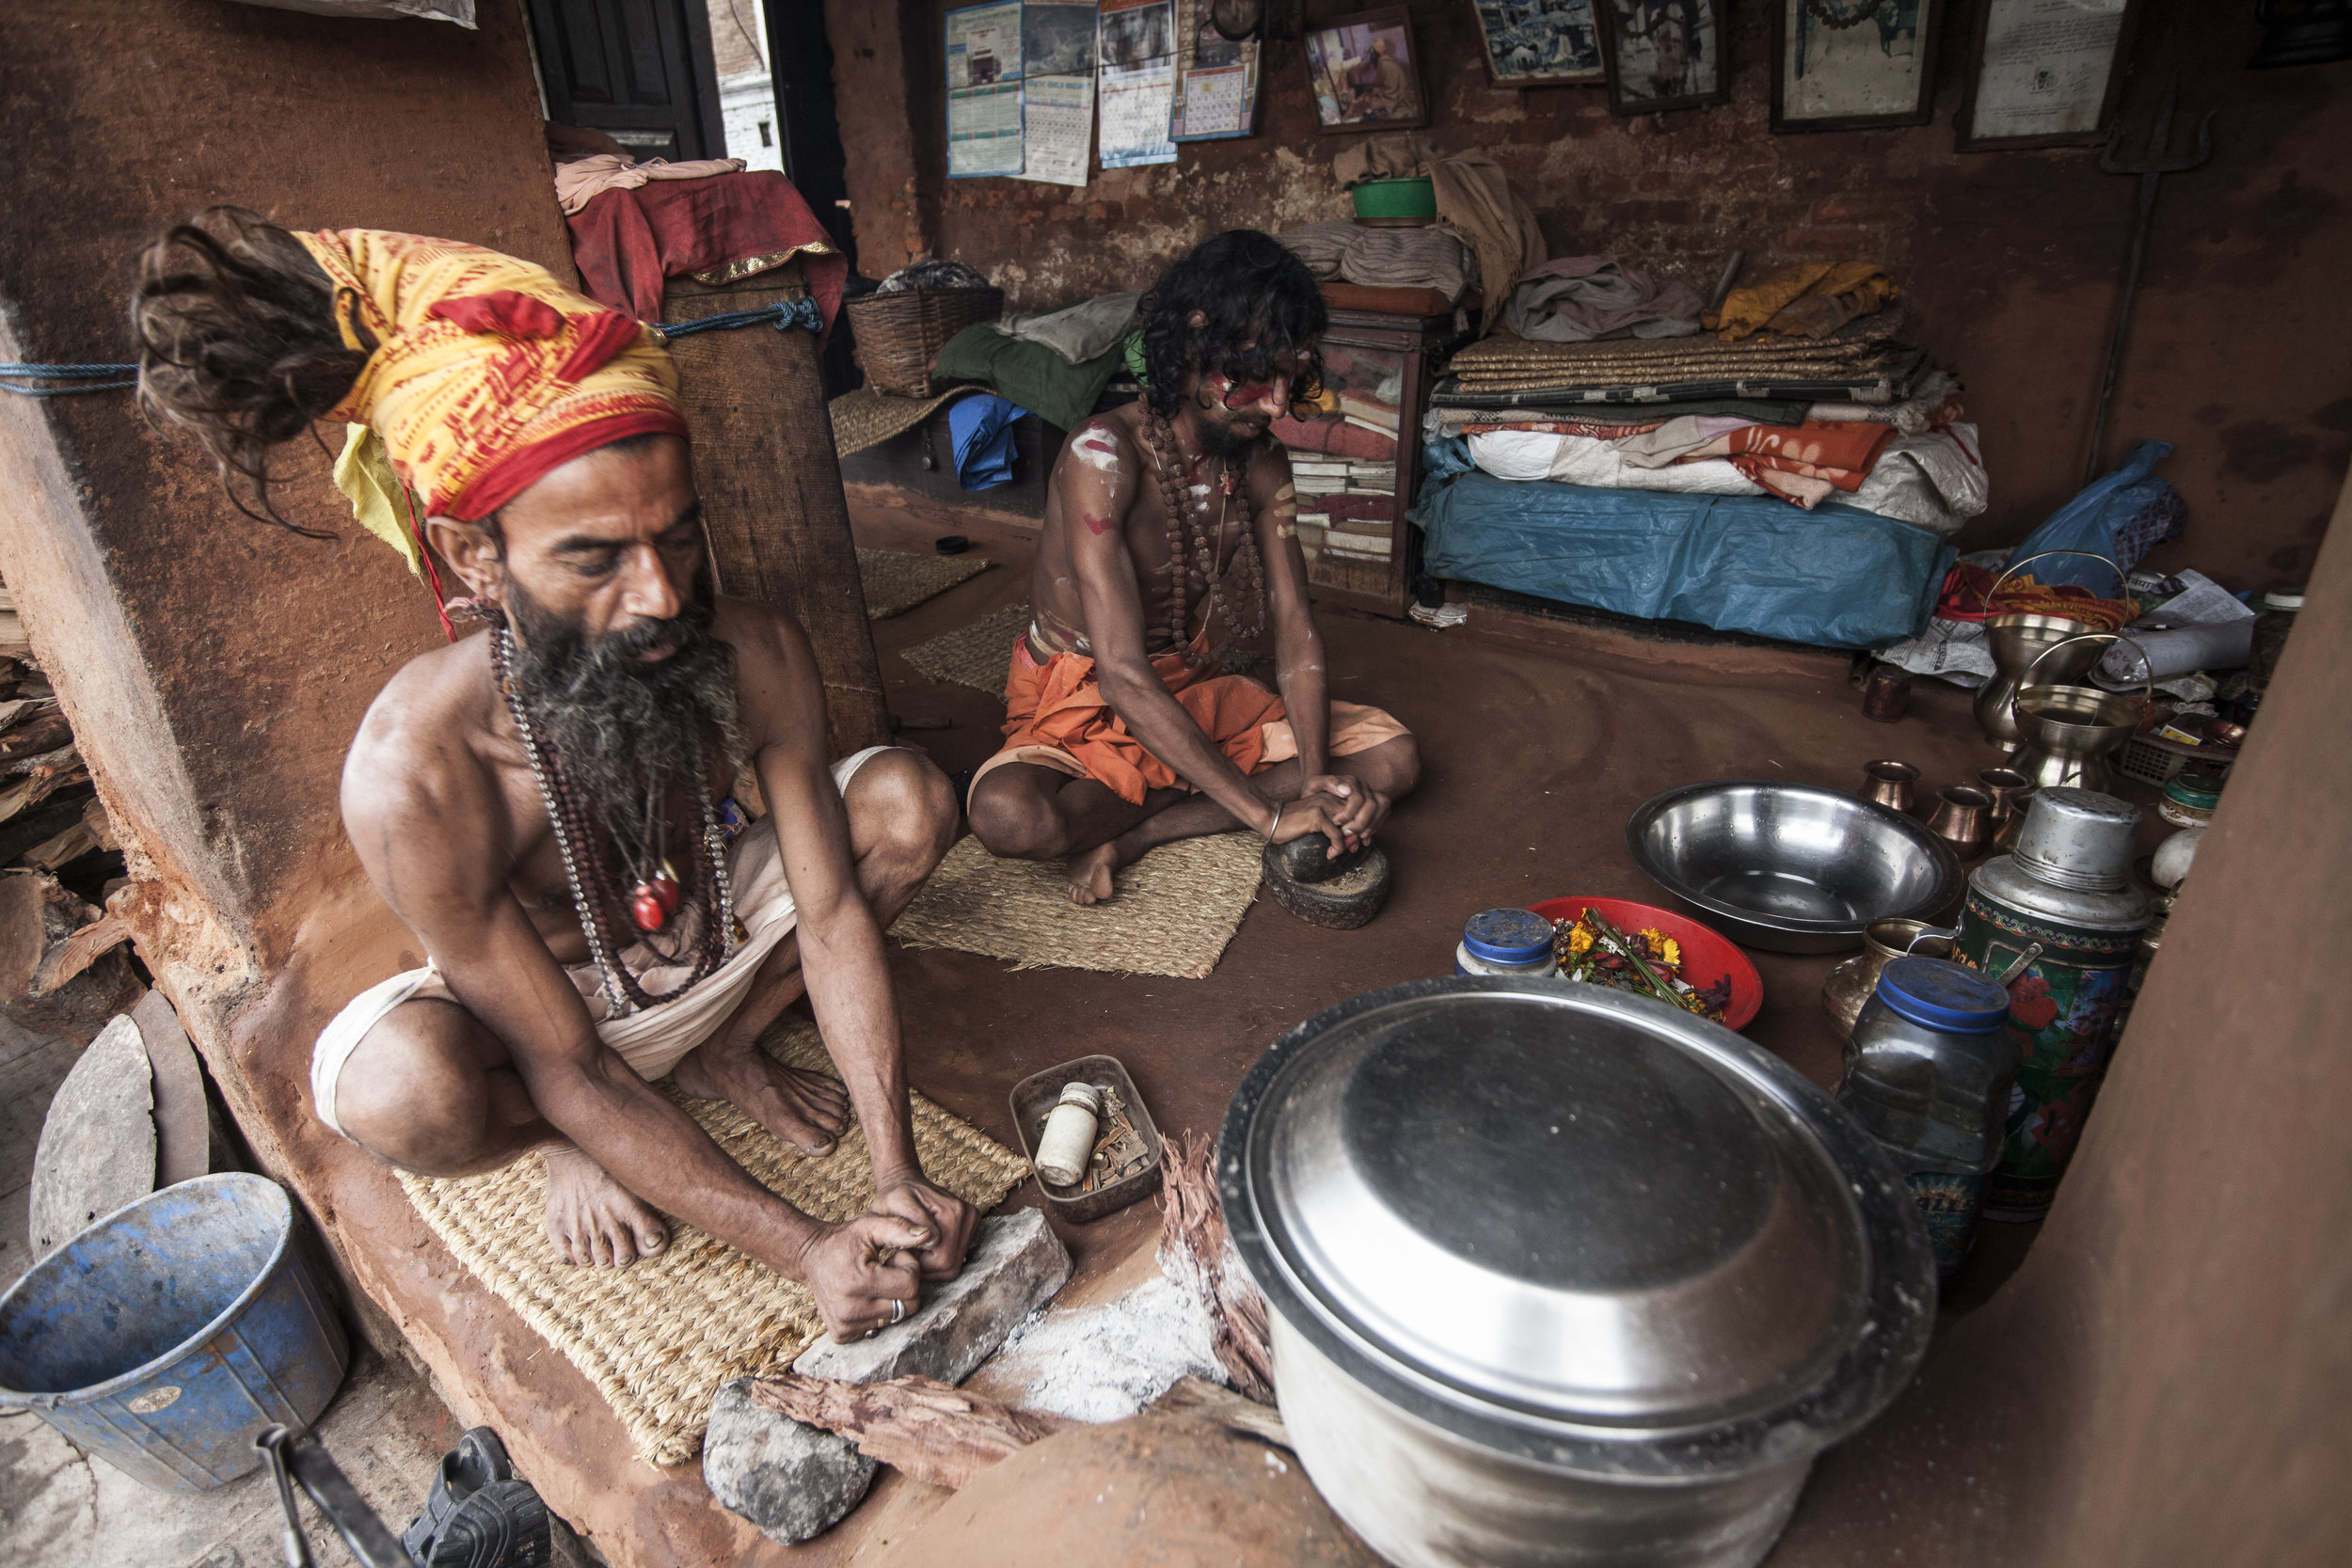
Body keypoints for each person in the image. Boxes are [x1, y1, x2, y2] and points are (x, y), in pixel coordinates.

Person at [133, 211, 970, 1340]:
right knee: (401, 1092)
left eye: (677, 536)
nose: (663, 595)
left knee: (907, 800)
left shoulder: (749, 650)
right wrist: (805, 1246)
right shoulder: (412, 775)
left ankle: (728, 1047)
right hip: (558, 1025)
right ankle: (566, 1150)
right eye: (593, 557)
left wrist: (892, 1178)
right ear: (474, 556)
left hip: (713, 942)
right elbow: (567, 1061)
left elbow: (824, 913)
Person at [964, 230, 1420, 906]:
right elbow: (1120, 674)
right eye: (1259, 375)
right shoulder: (1102, 456)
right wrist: (1270, 814)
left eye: (1291, 378)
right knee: (1009, 813)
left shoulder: (1261, 461)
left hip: (1187, 683)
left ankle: (1138, 832)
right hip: (1089, 690)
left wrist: (1317, 783)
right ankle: (1211, 793)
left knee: (1395, 759)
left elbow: (1296, 627)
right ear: (1193, 346)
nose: (1276, 404)